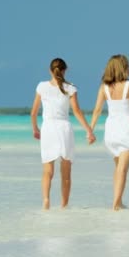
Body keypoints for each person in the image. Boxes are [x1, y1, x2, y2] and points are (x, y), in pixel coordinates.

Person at [90, 54, 129, 211]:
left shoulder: (103, 88)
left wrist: (90, 130)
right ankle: (116, 204)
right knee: (122, 169)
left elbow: (97, 110)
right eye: (128, 65)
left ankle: (117, 201)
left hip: (111, 130)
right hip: (126, 128)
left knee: (119, 167)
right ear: (123, 68)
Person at [30, 58, 95, 210]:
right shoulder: (70, 88)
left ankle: (46, 200)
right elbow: (77, 112)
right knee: (66, 172)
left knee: (47, 170)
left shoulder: (41, 87)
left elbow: (33, 112)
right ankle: (64, 206)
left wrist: (35, 129)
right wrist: (89, 131)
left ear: (50, 70)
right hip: (64, 128)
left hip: (48, 129)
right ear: (65, 70)